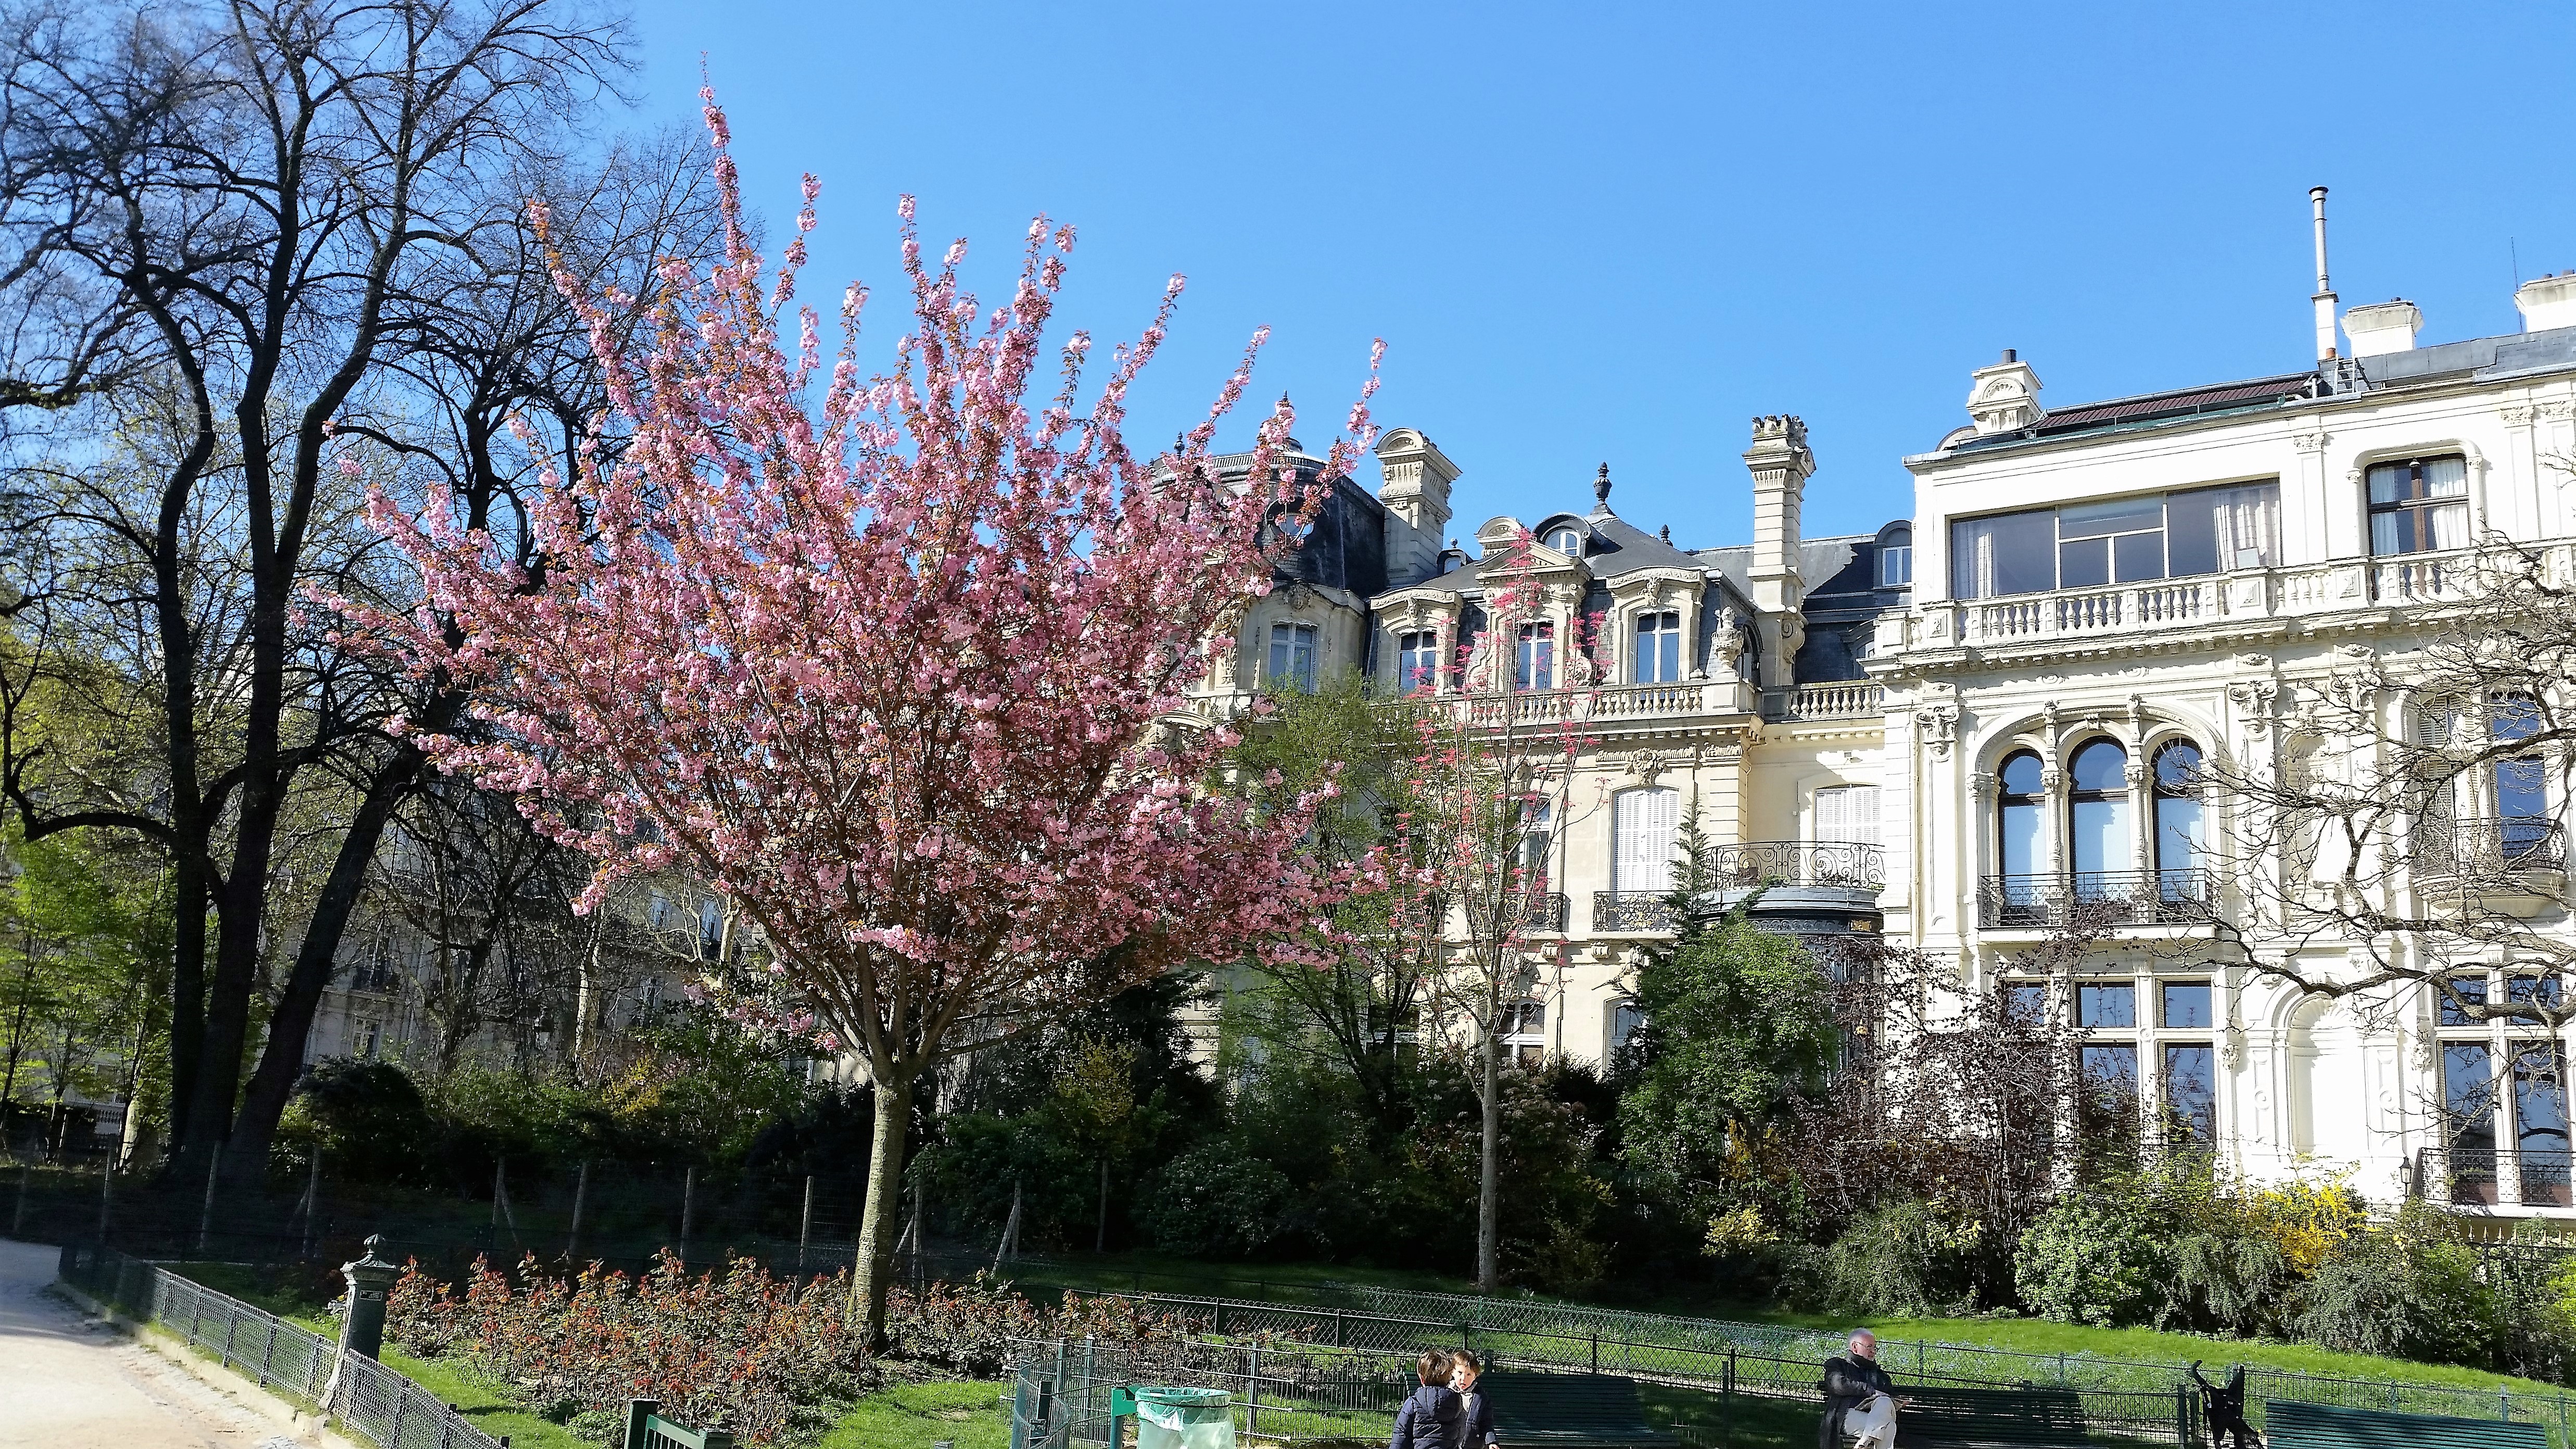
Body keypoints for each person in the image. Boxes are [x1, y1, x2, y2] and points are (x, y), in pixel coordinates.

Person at [1818, 1331, 1909, 1449]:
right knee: (1890, 1427)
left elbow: (1890, 1397)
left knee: (1885, 1402)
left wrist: (1899, 1402)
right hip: (1850, 1416)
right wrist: (1871, 1391)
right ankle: (1866, 1441)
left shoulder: (1880, 1375)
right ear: (1855, 1347)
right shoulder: (1839, 1365)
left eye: (1874, 1347)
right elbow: (1838, 1385)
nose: (1873, 1351)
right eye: (1869, 1347)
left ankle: (1864, 1442)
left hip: (1877, 1417)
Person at [1392, 1349, 1461, 1449]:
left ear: (1421, 1378)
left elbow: (1401, 1434)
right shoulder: (1456, 1403)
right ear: (1449, 1378)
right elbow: (1460, 1434)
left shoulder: (1413, 1404)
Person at [1450, 1350, 1498, 1449]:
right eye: (1460, 1373)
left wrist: (1491, 1441)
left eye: (1469, 1375)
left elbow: (1487, 1422)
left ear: (1475, 1376)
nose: (1463, 1378)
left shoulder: (1480, 1397)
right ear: (1452, 1372)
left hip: (1471, 1444)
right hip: (1449, 1442)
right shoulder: (1446, 1392)